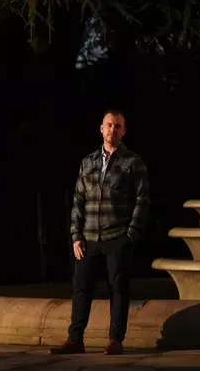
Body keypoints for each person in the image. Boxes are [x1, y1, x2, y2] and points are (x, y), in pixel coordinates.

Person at [49, 110, 150, 355]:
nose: (112, 130)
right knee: (81, 288)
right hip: (89, 239)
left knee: (118, 288)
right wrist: (76, 236)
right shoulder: (87, 162)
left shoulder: (133, 162)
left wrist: (130, 236)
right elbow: (78, 200)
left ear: (123, 131)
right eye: (109, 125)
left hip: (117, 238)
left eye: (118, 126)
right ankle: (75, 340)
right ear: (101, 129)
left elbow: (143, 200)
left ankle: (115, 339)